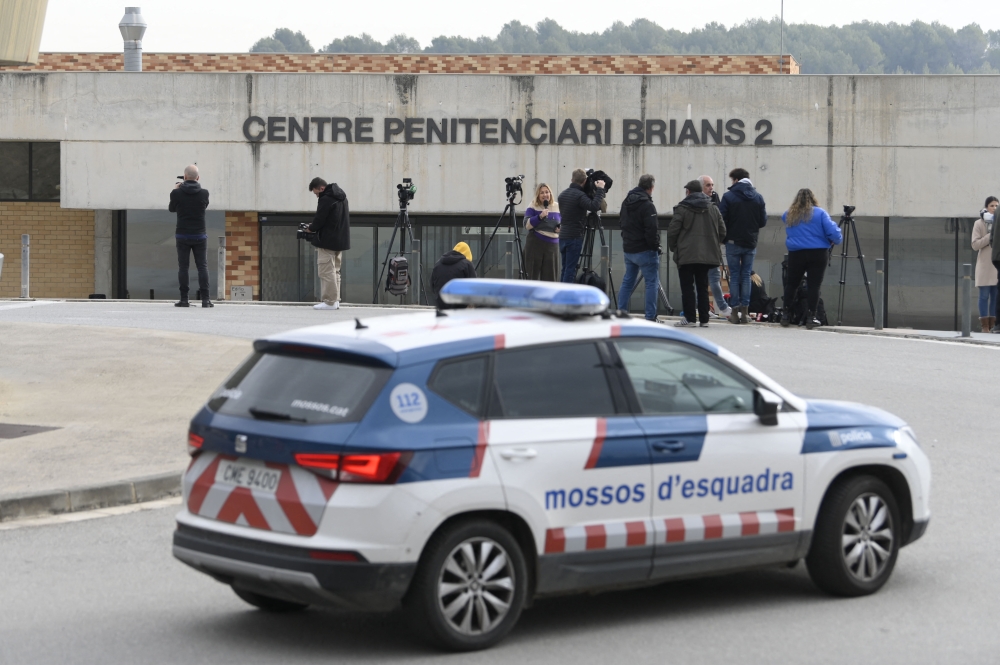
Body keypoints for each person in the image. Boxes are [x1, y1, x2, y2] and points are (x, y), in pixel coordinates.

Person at [779, 188, 842, 330]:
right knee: (814, 285)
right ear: (813, 199)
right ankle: (811, 317)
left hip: (796, 253)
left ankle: (786, 314)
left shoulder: (788, 214)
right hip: (818, 253)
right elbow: (834, 234)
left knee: (792, 284)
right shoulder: (820, 213)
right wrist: (834, 239)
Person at [668, 179, 726, 327]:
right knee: (702, 286)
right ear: (701, 191)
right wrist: (712, 244)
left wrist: (675, 247)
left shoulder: (682, 208)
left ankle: (690, 318)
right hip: (706, 255)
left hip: (686, 254)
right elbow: (722, 231)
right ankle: (704, 319)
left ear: (688, 192)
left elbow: (673, 231)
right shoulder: (713, 208)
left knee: (687, 287)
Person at [718, 167, 767, 324]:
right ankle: (745, 313)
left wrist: (724, 236)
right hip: (750, 242)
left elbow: (721, 218)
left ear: (736, 180)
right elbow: (763, 221)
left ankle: (734, 313)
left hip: (732, 242)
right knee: (746, 275)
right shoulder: (758, 197)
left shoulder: (728, 196)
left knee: (734, 276)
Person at [616, 174, 661, 321]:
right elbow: (652, 229)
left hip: (629, 248)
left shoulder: (626, 202)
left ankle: (620, 313)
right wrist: (655, 246)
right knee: (651, 283)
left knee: (628, 281)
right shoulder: (647, 205)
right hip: (645, 250)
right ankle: (650, 317)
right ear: (651, 188)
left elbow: (621, 222)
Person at [169, 164, 212, 308]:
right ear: (198, 178)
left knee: (183, 267)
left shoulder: (176, 193)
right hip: (200, 235)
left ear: (185, 177)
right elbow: (203, 206)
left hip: (182, 235)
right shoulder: (204, 193)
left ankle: (184, 299)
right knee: (202, 266)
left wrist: (176, 190)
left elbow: (171, 209)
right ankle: (206, 300)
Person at [308, 177, 351, 310]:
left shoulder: (326, 199)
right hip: (340, 240)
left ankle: (329, 301)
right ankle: (336, 300)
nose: (317, 196)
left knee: (326, 271)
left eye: (316, 193)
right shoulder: (342, 197)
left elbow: (320, 218)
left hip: (327, 240)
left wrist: (311, 228)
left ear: (321, 188)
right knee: (335, 271)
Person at [556, 169, 605, 283]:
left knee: (565, 268)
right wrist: (600, 190)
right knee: (571, 270)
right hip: (574, 236)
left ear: (572, 180)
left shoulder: (562, 195)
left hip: (563, 236)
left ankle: (562, 294)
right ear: (584, 181)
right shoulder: (580, 196)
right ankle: (566, 298)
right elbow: (594, 206)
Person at [698, 174, 732, 319]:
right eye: (708, 185)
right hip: (701, 247)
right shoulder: (696, 202)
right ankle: (709, 308)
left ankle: (720, 308)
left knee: (714, 278)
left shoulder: (715, 200)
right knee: (703, 279)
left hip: (711, 246)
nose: (711, 188)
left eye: (712, 184)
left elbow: (721, 222)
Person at [523, 183, 561, 281]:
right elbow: (526, 225)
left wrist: (561, 228)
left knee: (551, 278)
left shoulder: (557, 206)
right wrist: (540, 217)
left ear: (550, 194)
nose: (545, 195)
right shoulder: (533, 205)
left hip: (552, 246)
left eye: (547, 192)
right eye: (542, 193)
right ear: (538, 195)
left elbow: (565, 222)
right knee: (531, 276)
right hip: (536, 243)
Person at [972, 197, 998, 332]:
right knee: (984, 295)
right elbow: (975, 245)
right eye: (992, 205)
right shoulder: (979, 223)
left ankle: (993, 325)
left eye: (996, 205)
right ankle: (985, 326)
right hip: (984, 264)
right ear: (986, 207)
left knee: (995, 296)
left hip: (996, 264)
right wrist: (990, 235)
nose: (994, 208)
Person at [431, 242, 476, 308]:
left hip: (441, 305)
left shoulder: (438, 264)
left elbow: (432, 285)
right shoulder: (467, 264)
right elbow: (474, 287)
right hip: (460, 307)